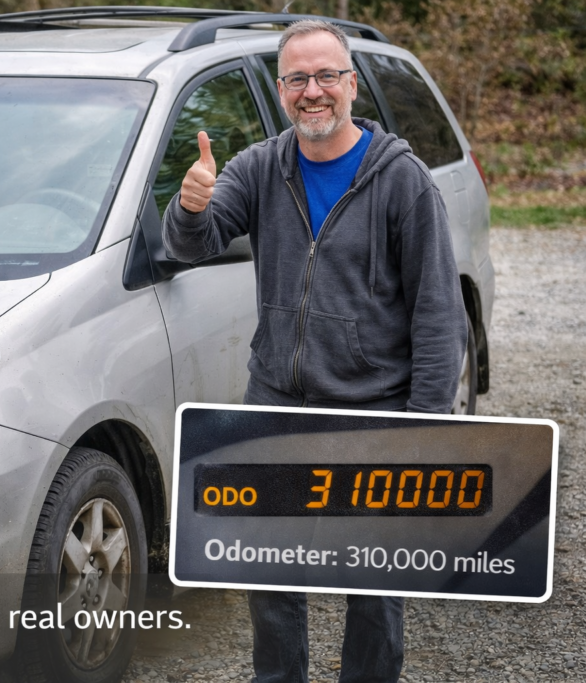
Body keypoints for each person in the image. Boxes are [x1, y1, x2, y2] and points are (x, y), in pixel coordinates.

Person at [162, 19, 467, 683]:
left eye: (327, 75)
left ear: (351, 84)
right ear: (280, 91)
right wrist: (190, 208)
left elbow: (439, 315)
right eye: (298, 78)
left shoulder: (403, 180)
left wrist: (424, 430)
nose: (313, 91)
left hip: (373, 412)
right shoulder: (258, 167)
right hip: (275, 404)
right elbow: (197, 242)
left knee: (375, 590)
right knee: (270, 582)